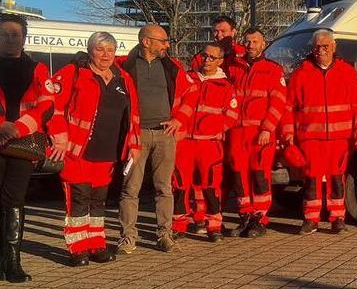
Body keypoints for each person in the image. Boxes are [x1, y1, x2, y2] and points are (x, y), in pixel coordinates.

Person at [48, 32, 141, 266]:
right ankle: (77, 248)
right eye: (100, 49)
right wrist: (59, 139)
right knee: (79, 198)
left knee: (99, 200)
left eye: (110, 50)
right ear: (90, 51)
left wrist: (134, 144)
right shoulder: (74, 73)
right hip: (78, 151)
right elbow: (52, 106)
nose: (106, 54)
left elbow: (134, 116)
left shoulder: (124, 78)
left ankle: (96, 245)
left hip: (109, 151)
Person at [117, 24, 194, 254]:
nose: (167, 45)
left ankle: (165, 235)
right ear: (146, 41)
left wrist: (179, 118)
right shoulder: (124, 66)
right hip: (136, 136)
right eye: (163, 41)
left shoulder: (172, 67)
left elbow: (192, 92)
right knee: (130, 188)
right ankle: (128, 237)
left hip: (164, 135)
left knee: (164, 187)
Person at [283, 30, 357, 235]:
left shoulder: (347, 72)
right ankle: (311, 219)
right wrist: (288, 133)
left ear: (334, 47)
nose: (321, 51)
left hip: (340, 139)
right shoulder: (301, 73)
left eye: (325, 47)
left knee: (337, 178)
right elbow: (288, 107)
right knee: (311, 178)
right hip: (310, 138)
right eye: (317, 47)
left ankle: (337, 218)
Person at [0, 14, 55, 282]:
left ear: (24, 38)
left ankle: (12, 262)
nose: (11, 39)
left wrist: (18, 127)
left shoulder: (37, 68)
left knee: (14, 200)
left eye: (16, 34)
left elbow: (47, 104)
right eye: (5, 34)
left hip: (22, 143)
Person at [171, 43, 238, 242]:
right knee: (180, 183)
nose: (206, 60)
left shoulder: (226, 85)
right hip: (184, 141)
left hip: (210, 143)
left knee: (210, 185)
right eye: (204, 55)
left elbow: (232, 115)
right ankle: (178, 225)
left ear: (220, 61)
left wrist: (212, 129)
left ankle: (214, 225)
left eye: (211, 57)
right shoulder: (187, 78)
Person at [226, 28, 287, 238]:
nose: (251, 45)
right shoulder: (234, 68)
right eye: (248, 41)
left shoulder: (273, 69)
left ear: (263, 44)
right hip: (237, 131)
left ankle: (260, 219)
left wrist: (267, 128)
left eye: (255, 41)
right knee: (239, 175)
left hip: (260, 132)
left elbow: (278, 102)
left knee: (260, 174)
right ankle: (245, 216)